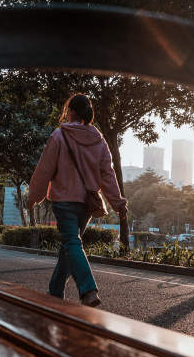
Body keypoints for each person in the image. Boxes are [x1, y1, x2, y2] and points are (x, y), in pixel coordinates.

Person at [27, 93, 127, 307]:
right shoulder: (99, 141)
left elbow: (44, 170)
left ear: (70, 111)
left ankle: (88, 290)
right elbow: (107, 175)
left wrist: (33, 196)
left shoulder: (59, 136)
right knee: (69, 246)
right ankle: (54, 293)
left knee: (71, 243)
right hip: (87, 205)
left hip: (64, 200)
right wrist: (117, 202)